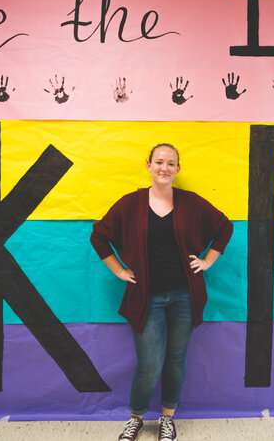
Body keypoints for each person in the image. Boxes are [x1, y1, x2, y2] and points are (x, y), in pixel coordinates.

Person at [90, 143, 233, 441]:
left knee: (176, 359)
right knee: (149, 363)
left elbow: (224, 227)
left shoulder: (191, 203)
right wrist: (119, 270)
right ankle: (136, 418)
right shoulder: (131, 204)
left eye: (170, 163)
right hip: (147, 297)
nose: (164, 168)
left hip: (184, 295)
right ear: (148, 166)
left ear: (178, 169)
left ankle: (167, 418)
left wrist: (207, 260)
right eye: (159, 162)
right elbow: (99, 236)